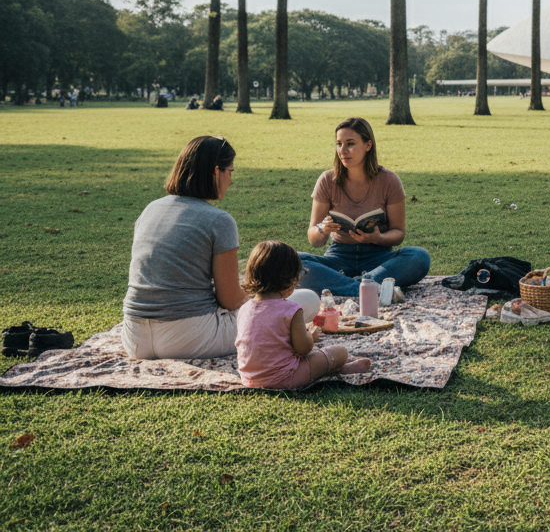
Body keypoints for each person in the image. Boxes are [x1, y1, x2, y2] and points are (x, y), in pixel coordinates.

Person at [121, 136, 318, 360]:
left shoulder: (150, 209)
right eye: (230, 172)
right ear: (216, 172)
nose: (231, 181)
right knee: (308, 300)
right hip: (190, 337)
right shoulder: (219, 220)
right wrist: (262, 294)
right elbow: (231, 300)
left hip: (134, 339)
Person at [300, 117, 431, 297]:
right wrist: (322, 229)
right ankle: (368, 287)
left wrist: (378, 238)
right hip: (338, 256)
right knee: (293, 261)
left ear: (368, 145)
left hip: (379, 258)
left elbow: (398, 233)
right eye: (339, 144)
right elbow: (314, 239)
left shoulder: (389, 181)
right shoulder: (327, 180)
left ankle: (349, 285)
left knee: (419, 257)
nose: (342, 150)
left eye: (350, 144)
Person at [236, 241, 372, 389]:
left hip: (250, 379)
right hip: (285, 378)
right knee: (340, 352)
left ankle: (336, 369)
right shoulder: (291, 309)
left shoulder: (244, 308)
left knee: (314, 356)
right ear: (289, 279)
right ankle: (337, 368)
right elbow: (304, 349)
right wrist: (309, 336)